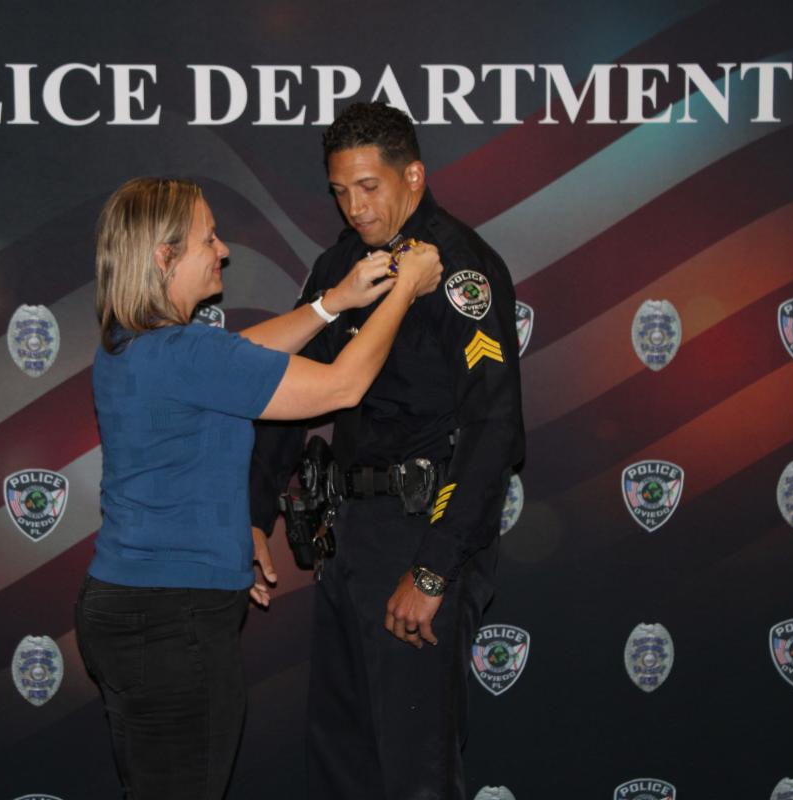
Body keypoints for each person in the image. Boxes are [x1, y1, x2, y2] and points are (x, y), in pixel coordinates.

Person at [76, 176, 443, 800]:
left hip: (131, 608)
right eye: (208, 239)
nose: (222, 250)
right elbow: (342, 386)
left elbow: (239, 353)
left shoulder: (132, 345)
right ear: (164, 256)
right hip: (173, 623)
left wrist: (333, 302)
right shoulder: (186, 353)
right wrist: (405, 288)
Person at [249, 102, 526, 799]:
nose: (355, 207)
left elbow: (494, 428)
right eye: (340, 190)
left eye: (369, 186)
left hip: (422, 526)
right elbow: (291, 387)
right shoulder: (340, 262)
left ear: (413, 176)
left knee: (414, 769)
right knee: (343, 760)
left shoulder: (460, 267)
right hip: (348, 534)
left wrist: (433, 568)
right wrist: (255, 513)